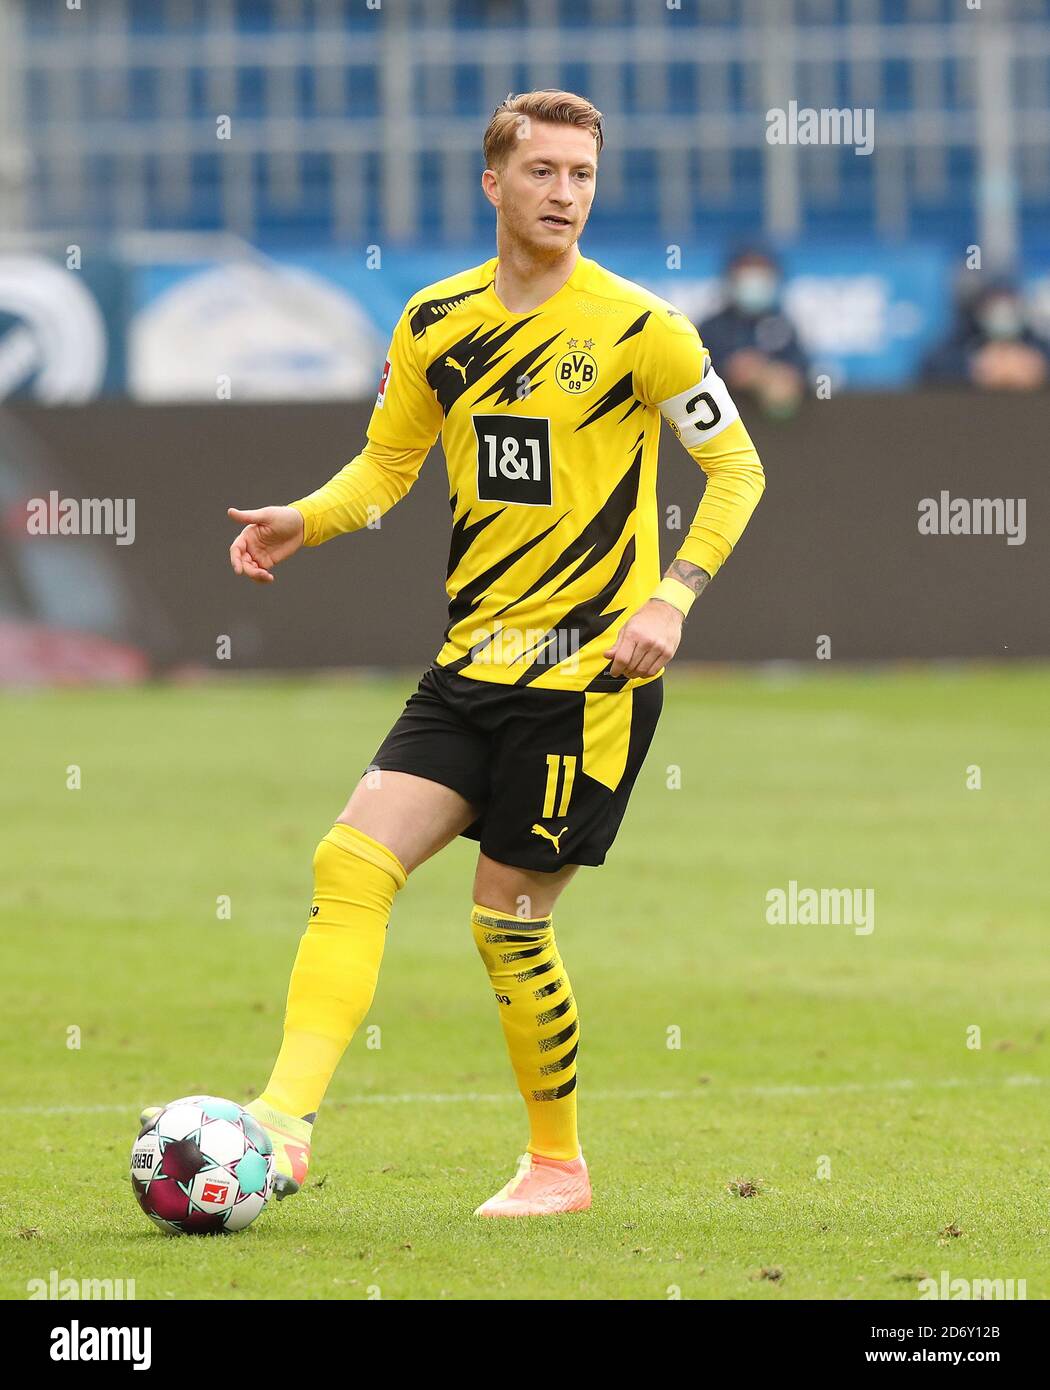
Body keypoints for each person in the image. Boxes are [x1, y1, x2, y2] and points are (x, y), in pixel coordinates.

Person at [183, 90, 764, 1218]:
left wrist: (674, 597)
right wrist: (306, 516)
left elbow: (737, 469)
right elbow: (386, 466)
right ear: (493, 183)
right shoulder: (435, 319)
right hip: (470, 664)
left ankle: (558, 1167)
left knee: (506, 920)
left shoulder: (645, 328)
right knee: (350, 865)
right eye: (543, 172)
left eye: (583, 175)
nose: (565, 194)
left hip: (588, 678)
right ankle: (281, 1128)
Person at [699, 246, 809, 417]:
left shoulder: (782, 324)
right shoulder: (712, 328)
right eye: (747, 272)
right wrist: (730, 371)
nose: (754, 282)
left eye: (760, 272)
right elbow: (695, 373)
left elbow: (802, 369)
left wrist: (771, 373)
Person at [921, 278, 1049, 391]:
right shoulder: (963, 338)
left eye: (1009, 303)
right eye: (994, 303)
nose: (1002, 312)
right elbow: (930, 369)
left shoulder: (1035, 342)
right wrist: (975, 368)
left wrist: (1037, 368)